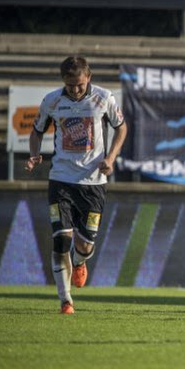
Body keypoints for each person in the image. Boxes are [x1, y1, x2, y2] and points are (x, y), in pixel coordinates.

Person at [25, 56, 127, 314]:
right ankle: (65, 300)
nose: (76, 90)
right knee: (61, 240)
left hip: (93, 183)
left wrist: (111, 158)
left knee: (85, 245)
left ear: (88, 77)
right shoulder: (52, 101)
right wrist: (34, 154)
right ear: (63, 82)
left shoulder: (104, 98)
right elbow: (36, 130)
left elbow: (121, 127)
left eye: (80, 85)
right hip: (60, 179)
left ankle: (80, 262)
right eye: (71, 86)